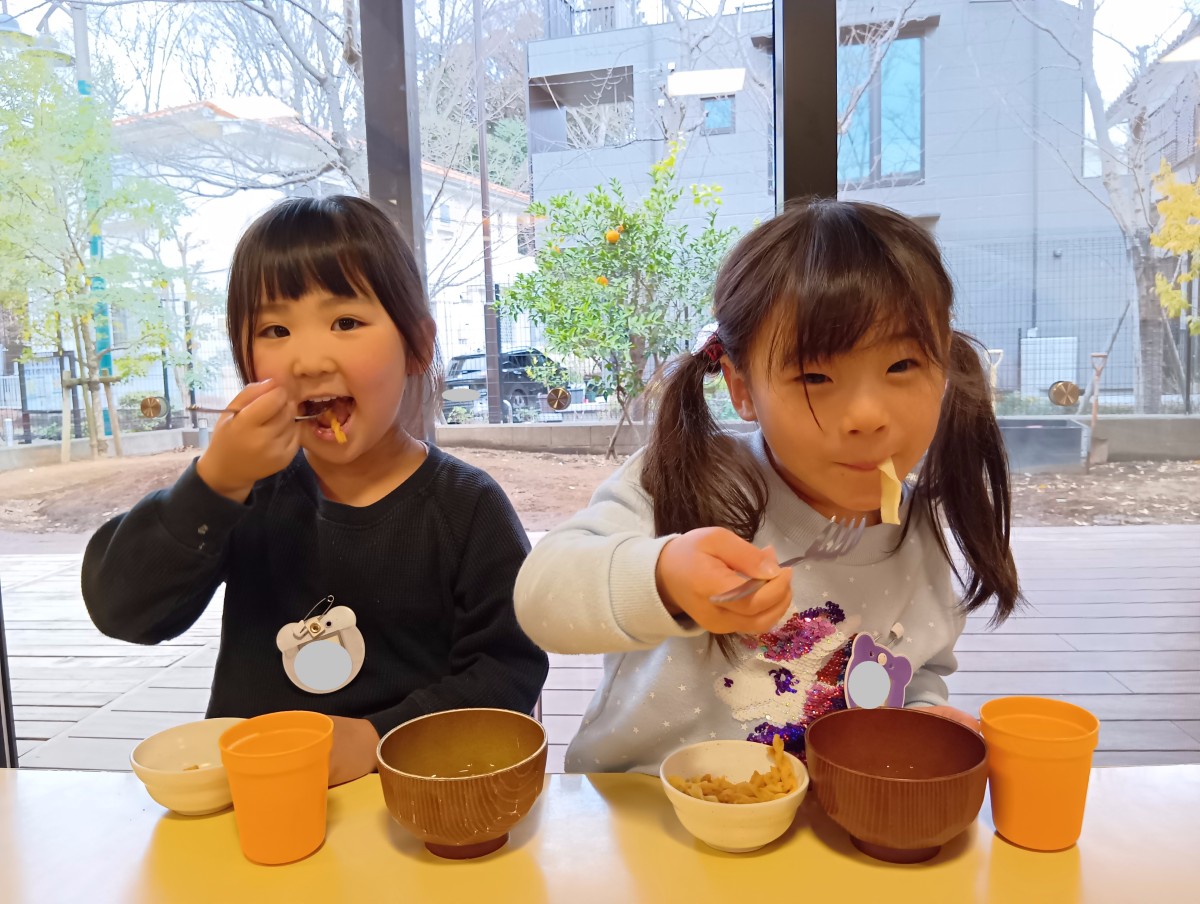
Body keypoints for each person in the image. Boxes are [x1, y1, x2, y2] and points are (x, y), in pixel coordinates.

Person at [514, 199, 1019, 774]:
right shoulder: (694, 479)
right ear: (742, 388)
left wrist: (926, 719)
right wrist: (663, 577)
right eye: (815, 376)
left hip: (821, 827)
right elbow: (541, 596)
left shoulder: (920, 532)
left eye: (902, 365)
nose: (867, 415)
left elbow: (918, 668)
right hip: (644, 816)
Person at [83, 195, 547, 785]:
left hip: (406, 807)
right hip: (254, 802)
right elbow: (123, 610)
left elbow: (509, 669)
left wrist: (382, 737)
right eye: (275, 329)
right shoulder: (244, 495)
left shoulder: (467, 508)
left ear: (418, 346)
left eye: (346, 322)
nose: (306, 359)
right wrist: (215, 482)